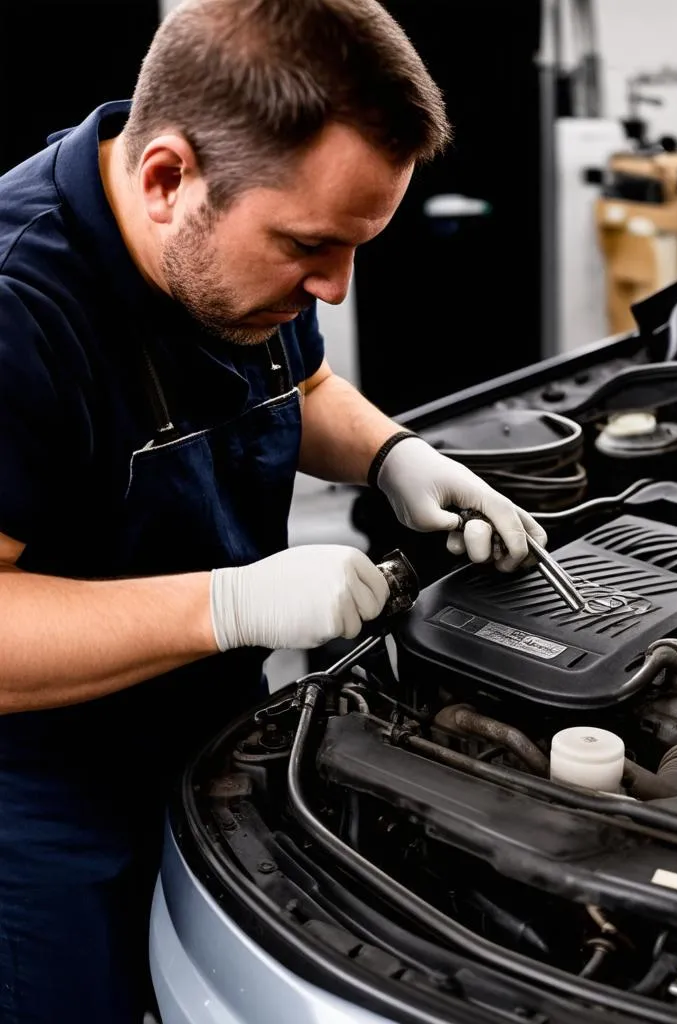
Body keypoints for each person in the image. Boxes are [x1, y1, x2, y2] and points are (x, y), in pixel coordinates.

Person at [0, 0, 546, 1019]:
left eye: (355, 247)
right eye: (308, 245)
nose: (335, 289)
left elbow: (295, 385)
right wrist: (231, 606)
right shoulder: (17, 311)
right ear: (167, 179)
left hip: (215, 740)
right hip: (47, 813)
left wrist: (393, 455)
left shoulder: (225, 262)